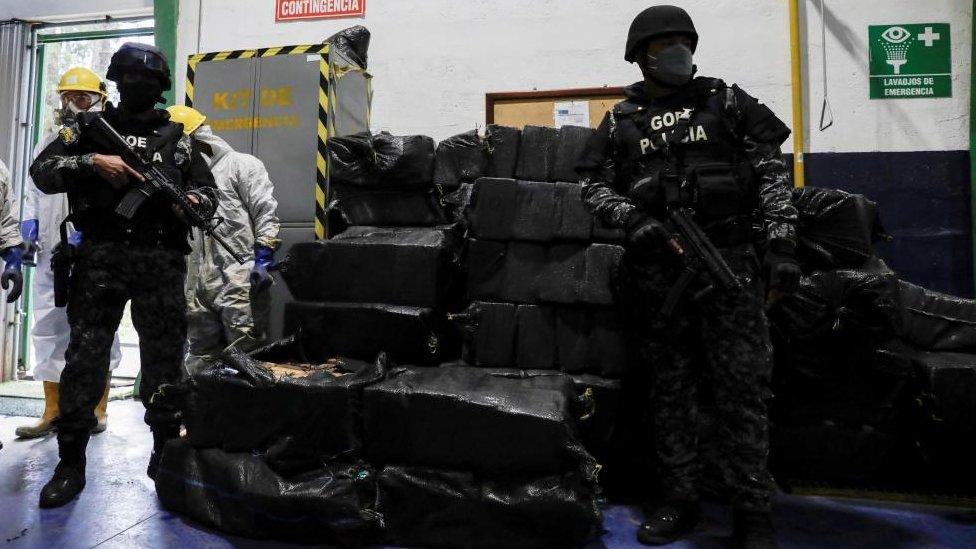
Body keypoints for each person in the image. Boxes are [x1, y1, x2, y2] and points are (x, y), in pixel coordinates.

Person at [577, 6, 800, 549]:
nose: (677, 50)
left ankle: (753, 509)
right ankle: (680, 499)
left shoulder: (725, 101)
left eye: (683, 40)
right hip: (660, 274)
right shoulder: (619, 119)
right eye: (664, 43)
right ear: (641, 56)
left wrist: (783, 245)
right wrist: (633, 220)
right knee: (669, 390)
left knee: (743, 389)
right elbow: (590, 186)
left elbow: (772, 172)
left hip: (730, 265)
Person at [30, 42, 217, 508]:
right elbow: (43, 171)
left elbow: (209, 197)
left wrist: (191, 203)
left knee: (164, 363)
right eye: (129, 79)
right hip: (101, 259)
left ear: (161, 88)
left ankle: (163, 456)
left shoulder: (179, 137)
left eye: (147, 82)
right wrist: (92, 162)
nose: (138, 87)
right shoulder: (89, 129)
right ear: (115, 82)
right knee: (85, 361)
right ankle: (70, 463)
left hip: (160, 262)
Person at [16, 67, 123, 440]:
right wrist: (27, 227)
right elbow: (33, 189)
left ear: (100, 100)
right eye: (67, 98)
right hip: (51, 252)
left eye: (81, 98)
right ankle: (53, 409)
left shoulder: (110, 142)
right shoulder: (49, 140)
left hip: (94, 251)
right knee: (48, 325)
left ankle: (97, 407)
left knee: (99, 326)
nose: (72, 105)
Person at [166, 105, 281, 377]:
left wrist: (263, 260)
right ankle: (201, 415)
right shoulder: (176, 180)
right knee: (200, 354)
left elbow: (266, 212)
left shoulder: (242, 165)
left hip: (238, 277)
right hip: (195, 282)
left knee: (246, 354)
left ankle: (243, 418)